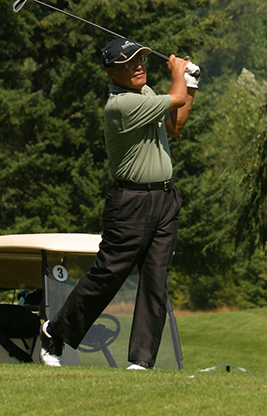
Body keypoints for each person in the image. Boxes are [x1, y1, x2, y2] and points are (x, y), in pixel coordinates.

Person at [40, 38, 197, 369]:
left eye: (140, 59)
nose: (138, 66)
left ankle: (141, 361)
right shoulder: (120, 106)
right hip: (131, 202)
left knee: (156, 280)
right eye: (128, 63)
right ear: (112, 72)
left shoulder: (146, 94)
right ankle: (55, 332)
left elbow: (176, 123)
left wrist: (191, 83)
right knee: (109, 274)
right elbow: (177, 96)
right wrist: (180, 73)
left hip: (166, 200)